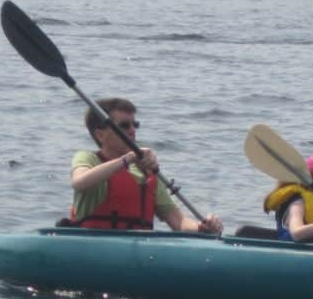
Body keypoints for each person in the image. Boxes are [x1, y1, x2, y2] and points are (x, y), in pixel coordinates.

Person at [68, 97, 223, 233]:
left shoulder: (146, 173)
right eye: (124, 126)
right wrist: (127, 159)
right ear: (100, 135)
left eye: (134, 125)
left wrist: (201, 227)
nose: (132, 130)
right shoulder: (88, 159)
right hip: (95, 248)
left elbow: (178, 221)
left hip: (137, 255)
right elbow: (79, 182)